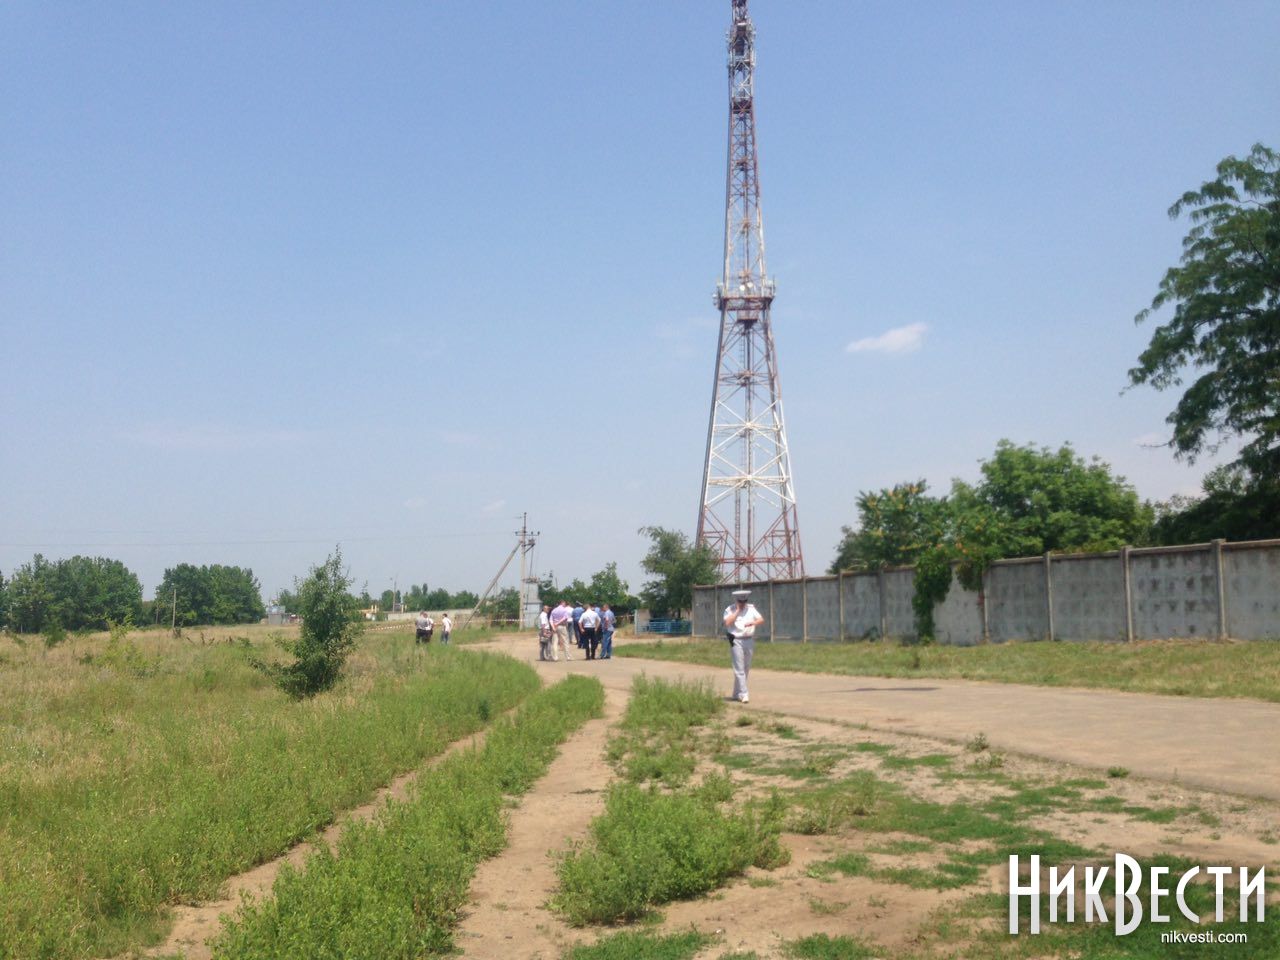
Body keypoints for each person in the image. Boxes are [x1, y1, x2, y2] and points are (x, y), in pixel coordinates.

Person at [723, 588, 763, 703]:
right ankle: (744, 694)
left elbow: (761, 619)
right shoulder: (729, 609)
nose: (743, 603)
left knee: (746, 667)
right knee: (739, 668)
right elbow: (727, 623)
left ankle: (736, 693)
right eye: (740, 601)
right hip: (735, 639)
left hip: (748, 639)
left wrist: (753, 623)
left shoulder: (751, 608)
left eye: (744, 601)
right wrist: (737, 611)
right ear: (736, 601)